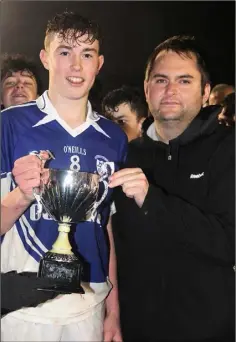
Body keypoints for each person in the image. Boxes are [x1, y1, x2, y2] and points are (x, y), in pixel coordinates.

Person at [1, 11, 127, 342]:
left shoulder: (113, 138)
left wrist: (112, 312)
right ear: (45, 58)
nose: (76, 65)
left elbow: (105, 226)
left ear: (98, 63)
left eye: (86, 54)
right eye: (65, 52)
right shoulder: (9, 125)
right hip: (24, 308)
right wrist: (20, 197)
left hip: (89, 304)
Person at [109, 35, 235, 341]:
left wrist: (153, 201)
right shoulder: (125, 155)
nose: (170, 90)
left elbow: (229, 241)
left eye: (184, 81)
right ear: (147, 88)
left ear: (206, 92)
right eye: (161, 80)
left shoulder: (228, 149)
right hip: (135, 329)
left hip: (210, 330)